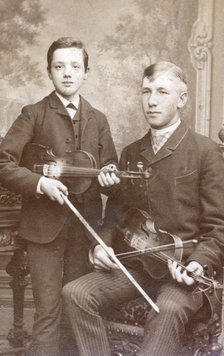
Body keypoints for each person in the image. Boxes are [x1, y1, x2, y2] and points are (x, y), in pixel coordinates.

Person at [62, 61, 224, 356]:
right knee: (76, 293)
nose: (151, 101)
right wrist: (102, 245)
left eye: (162, 92)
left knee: (168, 308)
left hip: (182, 271)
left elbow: (217, 227)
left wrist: (199, 262)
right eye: (146, 91)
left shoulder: (206, 152)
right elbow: (116, 214)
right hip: (135, 267)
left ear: (182, 99)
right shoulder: (131, 153)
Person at [0, 37, 118, 356]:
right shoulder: (33, 113)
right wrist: (40, 183)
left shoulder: (98, 119)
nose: (67, 73)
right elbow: (3, 162)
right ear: (49, 72)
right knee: (48, 314)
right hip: (43, 231)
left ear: (86, 72)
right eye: (59, 67)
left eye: (75, 67)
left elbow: (110, 173)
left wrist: (109, 175)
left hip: (84, 230)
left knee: (75, 309)